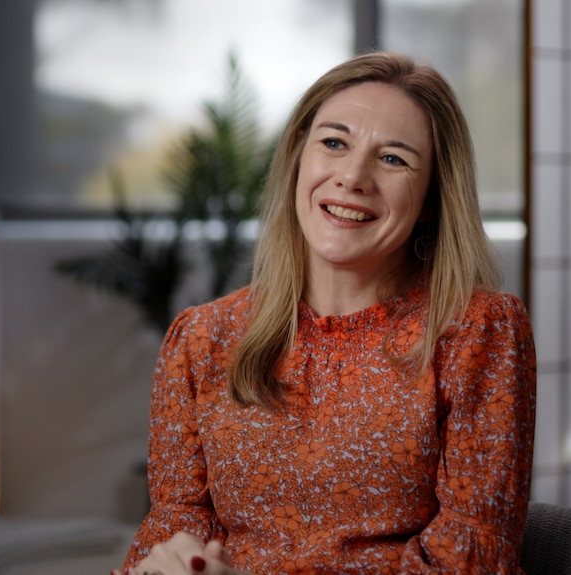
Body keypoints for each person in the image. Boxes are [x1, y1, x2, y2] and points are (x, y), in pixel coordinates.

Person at [113, 51, 536, 575]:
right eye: (334, 143)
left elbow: (472, 561)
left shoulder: (478, 331)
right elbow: (175, 530)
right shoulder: (201, 338)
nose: (353, 177)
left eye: (394, 158)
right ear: (298, 159)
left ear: (430, 197)